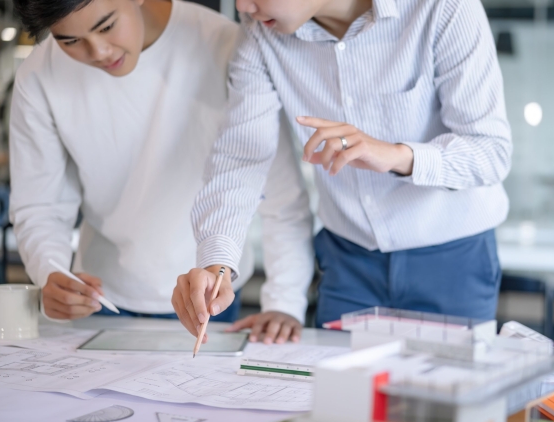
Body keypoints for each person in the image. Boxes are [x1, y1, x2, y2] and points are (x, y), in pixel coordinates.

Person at [174, 0, 512, 335]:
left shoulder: (443, 7)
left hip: (453, 261)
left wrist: (395, 156)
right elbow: (241, 158)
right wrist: (217, 266)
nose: (243, 6)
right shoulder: (260, 33)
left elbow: (490, 151)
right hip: (347, 262)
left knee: (447, 388)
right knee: (339, 388)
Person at [9, 0, 314, 342]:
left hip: (212, 292)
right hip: (101, 299)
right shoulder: (37, 75)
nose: (98, 51)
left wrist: (285, 301)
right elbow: (40, 204)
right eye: (70, 41)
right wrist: (50, 271)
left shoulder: (226, 44)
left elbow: (281, 195)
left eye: (107, 26)